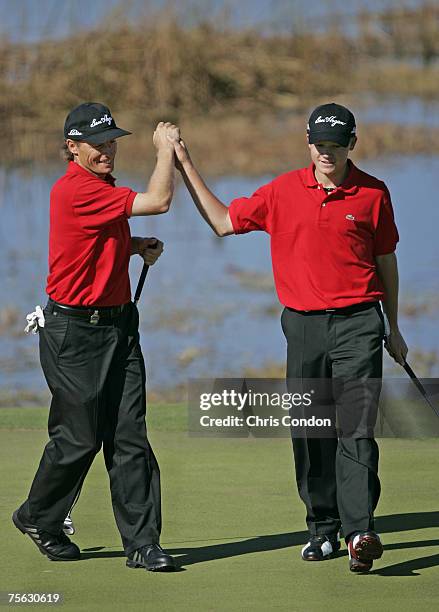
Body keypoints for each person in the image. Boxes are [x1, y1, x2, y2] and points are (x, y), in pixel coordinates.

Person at [172, 102, 408, 573]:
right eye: (320, 145)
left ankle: (359, 531)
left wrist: (394, 326)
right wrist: (184, 165)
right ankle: (323, 530)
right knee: (312, 430)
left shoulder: (373, 194)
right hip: (302, 327)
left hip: (360, 323)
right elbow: (223, 222)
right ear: (308, 142)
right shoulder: (281, 191)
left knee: (356, 430)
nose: (327, 154)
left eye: (336, 146)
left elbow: (386, 262)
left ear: (351, 146)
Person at [13, 102, 179, 572]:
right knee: (79, 438)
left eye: (111, 142)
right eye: (97, 144)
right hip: (72, 333)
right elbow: (159, 201)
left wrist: (133, 245)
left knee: (130, 436)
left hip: (119, 326)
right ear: (72, 147)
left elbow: (94, 242)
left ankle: (144, 544)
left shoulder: (100, 188)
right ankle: (38, 516)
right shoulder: (75, 190)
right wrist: (164, 149)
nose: (107, 150)